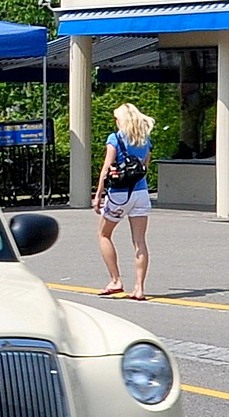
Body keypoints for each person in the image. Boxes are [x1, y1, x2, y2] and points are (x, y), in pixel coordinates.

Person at [91, 103, 155, 301]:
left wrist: (99, 194)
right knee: (139, 241)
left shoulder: (115, 138)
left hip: (119, 194)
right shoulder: (145, 140)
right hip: (141, 192)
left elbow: (106, 167)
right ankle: (139, 288)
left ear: (121, 120)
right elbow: (145, 166)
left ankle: (116, 280)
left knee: (104, 234)